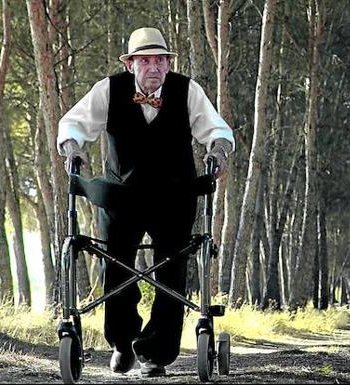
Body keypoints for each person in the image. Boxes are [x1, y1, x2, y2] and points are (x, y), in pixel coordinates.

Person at [57, 27, 234, 377]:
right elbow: (72, 125)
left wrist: (218, 149)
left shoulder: (187, 91)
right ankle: (123, 342)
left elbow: (218, 130)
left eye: (159, 60)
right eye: (144, 60)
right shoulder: (108, 90)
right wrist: (73, 148)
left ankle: (156, 353)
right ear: (131, 65)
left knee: (173, 267)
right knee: (115, 263)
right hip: (122, 195)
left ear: (168, 65)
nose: (152, 67)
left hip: (174, 195)